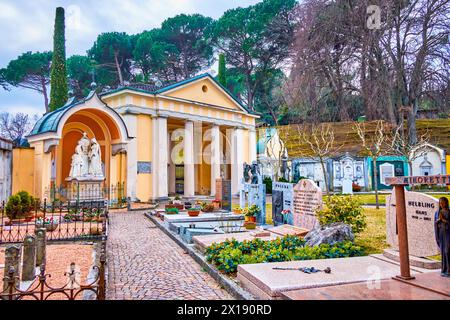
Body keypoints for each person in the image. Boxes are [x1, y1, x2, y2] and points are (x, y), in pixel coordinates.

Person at [434, 197, 450, 277]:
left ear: (446, 203)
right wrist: (438, 221)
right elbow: (435, 223)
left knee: (447, 251)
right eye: (440, 203)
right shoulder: (437, 212)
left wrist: (444, 220)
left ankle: (449, 270)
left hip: (448, 234)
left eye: (443, 203)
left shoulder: (449, 212)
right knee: (443, 252)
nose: (441, 204)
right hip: (441, 234)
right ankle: (444, 269)